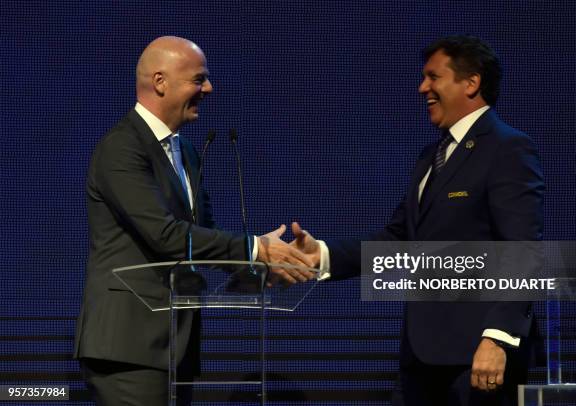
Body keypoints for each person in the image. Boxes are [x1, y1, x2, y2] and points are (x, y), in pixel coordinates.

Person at [291, 35, 544, 405]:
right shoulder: (432, 155)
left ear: (471, 83)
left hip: (478, 358)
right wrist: (322, 256)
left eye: (433, 77)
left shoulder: (507, 148)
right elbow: (399, 240)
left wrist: (497, 338)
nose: (422, 87)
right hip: (421, 356)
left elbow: (523, 252)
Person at [74, 36, 314, 406]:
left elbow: (199, 236)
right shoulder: (121, 147)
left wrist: (257, 264)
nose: (209, 88)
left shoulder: (184, 149)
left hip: (174, 347)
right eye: (199, 79)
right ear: (160, 82)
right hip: (128, 348)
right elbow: (166, 235)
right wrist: (254, 249)